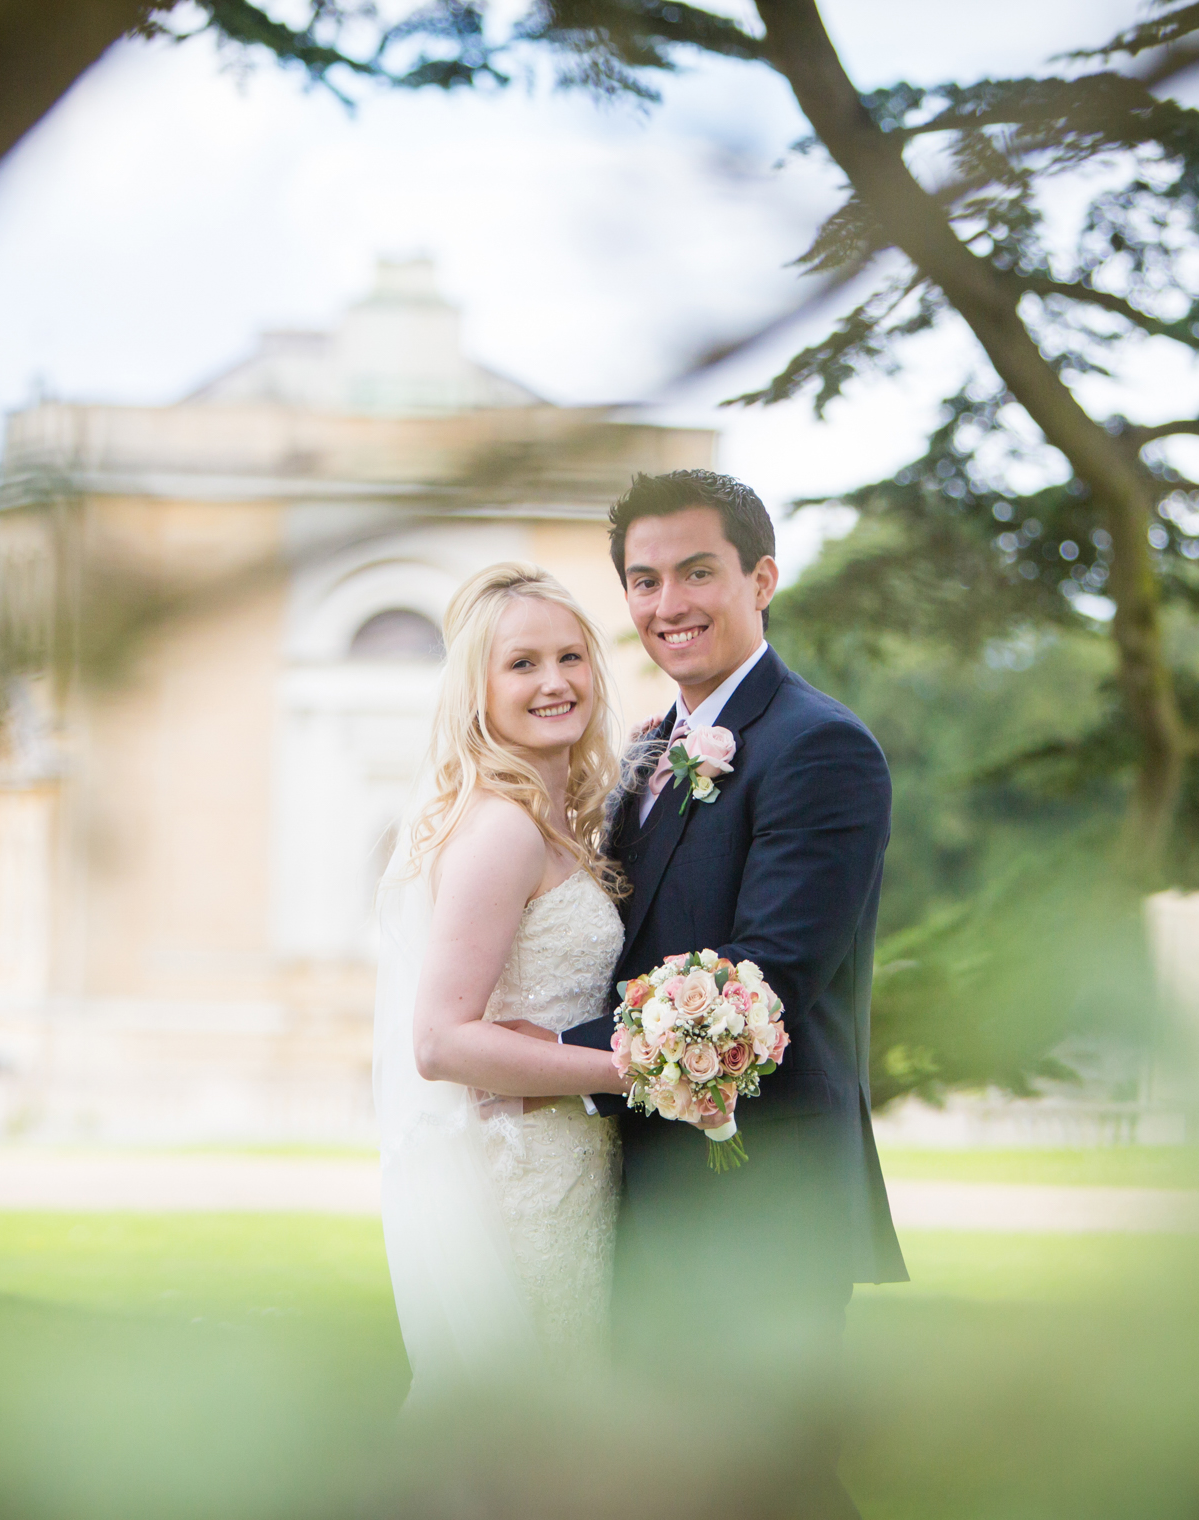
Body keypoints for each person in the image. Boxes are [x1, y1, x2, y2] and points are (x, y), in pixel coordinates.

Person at [561, 469, 907, 1515]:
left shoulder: (820, 746)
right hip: (654, 1180)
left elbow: (762, 983)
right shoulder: (647, 748)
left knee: (771, 1479)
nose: (670, 604)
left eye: (698, 571)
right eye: (645, 579)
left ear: (762, 576)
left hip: (763, 1192)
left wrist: (540, 1053)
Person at [372, 563, 636, 1406]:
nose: (555, 682)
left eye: (571, 656)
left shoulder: (560, 820)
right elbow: (440, 1042)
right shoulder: (502, 831)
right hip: (524, 1182)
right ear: (477, 690)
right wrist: (631, 1067)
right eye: (522, 664)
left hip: (571, 1161)